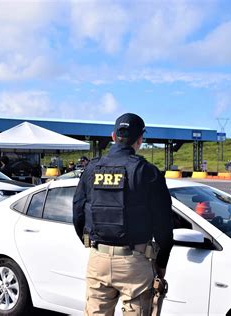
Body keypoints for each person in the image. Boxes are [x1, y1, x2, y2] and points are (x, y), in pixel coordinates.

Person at [73, 113, 173, 315]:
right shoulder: (147, 171)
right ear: (140, 140)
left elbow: (77, 213)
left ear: (113, 136)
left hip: (97, 258)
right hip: (135, 262)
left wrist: (92, 244)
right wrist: (161, 264)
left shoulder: (91, 168)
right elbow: (163, 226)